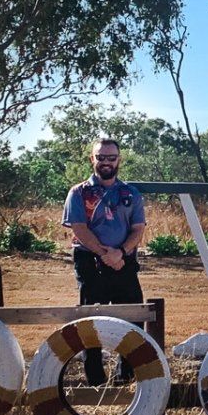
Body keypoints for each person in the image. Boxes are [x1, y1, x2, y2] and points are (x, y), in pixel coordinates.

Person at [62, 138, 147, 385]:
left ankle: (126, 378)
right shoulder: (78, 193)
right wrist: (105, 254)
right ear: (92, 159)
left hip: (124, 263)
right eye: (101, 157)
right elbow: (79, 228)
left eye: (111, 157)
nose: (106, 162)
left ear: (119, 160)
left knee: (132, 318)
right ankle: (96, 383)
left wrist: (120, 253)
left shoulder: (130, 193)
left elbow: (138, 229)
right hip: (90, 262)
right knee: (92, 321)